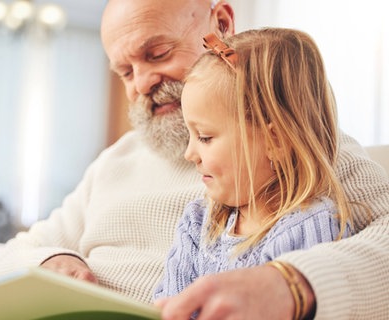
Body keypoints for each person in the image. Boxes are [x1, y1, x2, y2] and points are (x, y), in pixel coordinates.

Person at [0, 0, 388, 319]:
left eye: (156, 53)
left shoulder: (308, 149)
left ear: (220, 24)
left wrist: (292, 286)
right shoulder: (119, 158)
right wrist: (53, 260)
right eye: (124, 71)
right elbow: (23, 245)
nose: (142, 83)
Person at [153, 28, 357, 319]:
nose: (189, 153)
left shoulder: (312, 226)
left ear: (276, 141)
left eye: (205, 137)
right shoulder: (198, 222)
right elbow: (168, 306)